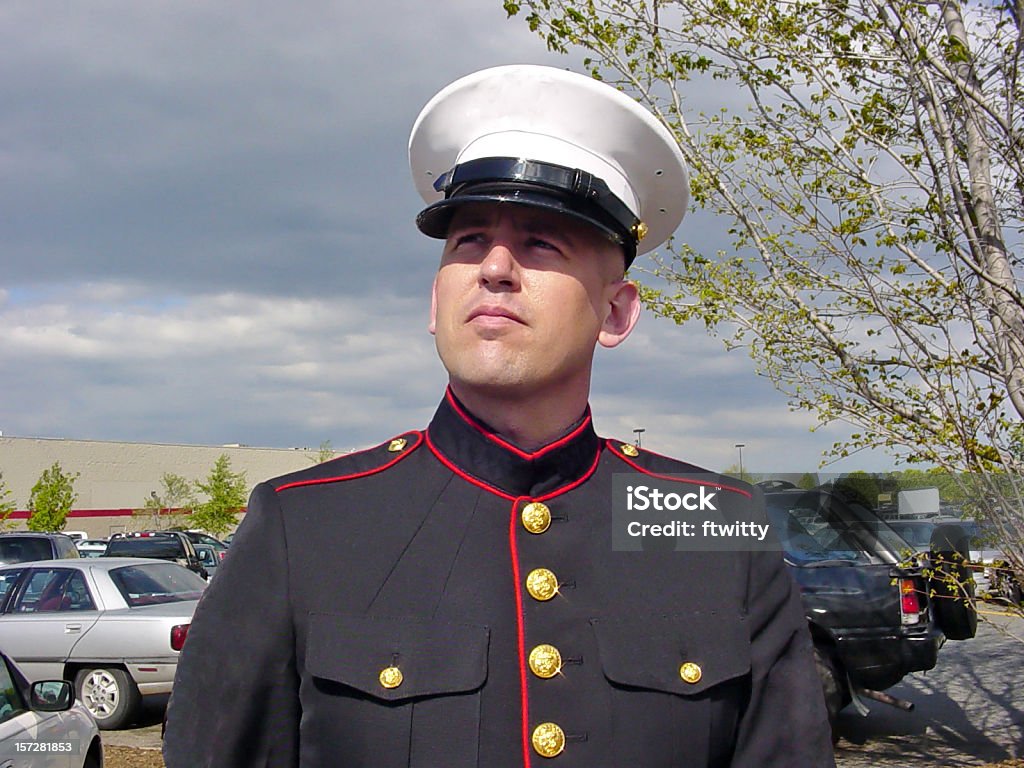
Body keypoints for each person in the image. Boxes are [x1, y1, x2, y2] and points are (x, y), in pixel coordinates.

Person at [163, 64, 835, 767]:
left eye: (543, 242)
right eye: (469, 242)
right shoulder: (301, 529)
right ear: (434, 302)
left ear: (615, 310)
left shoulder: (713, 529)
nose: (495, 266)